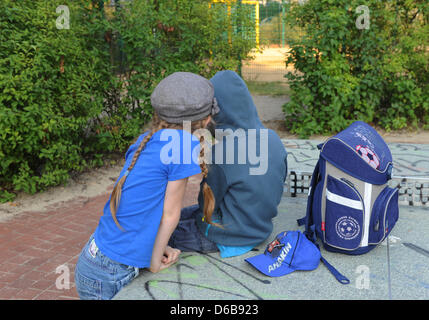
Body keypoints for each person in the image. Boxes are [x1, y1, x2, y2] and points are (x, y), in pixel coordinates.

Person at [74, 72, 220, 300]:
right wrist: (153, 263)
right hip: (112, 272)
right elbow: (170, 215)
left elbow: (141, 208)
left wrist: (157, 248)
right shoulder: (182, 147)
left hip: (96, 261)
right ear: (206, 119)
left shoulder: (150, 138)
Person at [168, 70, 288, 258]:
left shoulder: (223, 153)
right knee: (183, 213)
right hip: (259, 226)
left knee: (165, 230)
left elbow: (207, 203)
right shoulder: (272, 138)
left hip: (228, 235)